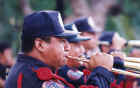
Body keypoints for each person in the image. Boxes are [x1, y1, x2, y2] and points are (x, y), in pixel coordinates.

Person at [5, 11, 114, 88]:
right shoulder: (36, 76)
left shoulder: (29, 69)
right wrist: (102, 72)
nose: (68, 47)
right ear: (40, 45)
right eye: (62, 41)